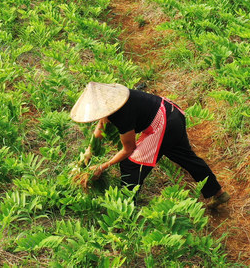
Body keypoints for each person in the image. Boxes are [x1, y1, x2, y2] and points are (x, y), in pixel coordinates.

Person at [70, 82, 230, 209]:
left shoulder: (121, 115)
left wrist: (102, 166)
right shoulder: (114, 100)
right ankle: (218, 193)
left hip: (164, 125)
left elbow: (128, 149)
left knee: (131, 164)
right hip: (171, 112)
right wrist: (89, 151)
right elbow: (102, 126)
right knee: (185, 157)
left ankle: (125, 210)